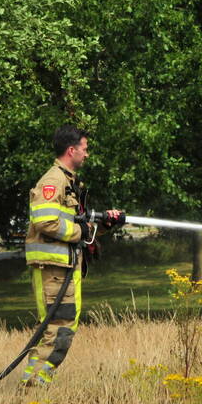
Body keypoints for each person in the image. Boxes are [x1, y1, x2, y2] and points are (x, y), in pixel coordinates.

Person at [22, 125, 123, 386]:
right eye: (84, 149)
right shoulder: (53, 182)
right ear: (71, 150)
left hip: (63, 266)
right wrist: (81, 230)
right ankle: (34, 387)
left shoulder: (69, 182)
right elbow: (46, 222)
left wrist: (105, 224)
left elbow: (77, 226)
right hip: (53, 269)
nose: (87, 155)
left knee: (59, 328)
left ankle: (32, 386)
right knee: (59, 329)